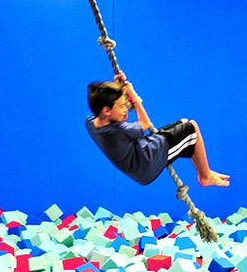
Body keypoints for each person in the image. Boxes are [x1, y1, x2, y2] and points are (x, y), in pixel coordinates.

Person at [86, 73, 230, 188]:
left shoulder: (91, 123)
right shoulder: (118, 131)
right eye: (121, 106)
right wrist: (132, 95)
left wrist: (118, 89)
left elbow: (108, 109)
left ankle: (204, 171)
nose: (125, 111)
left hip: (142, 151)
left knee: (183, 123)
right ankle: (205, 176)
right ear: (106, 110)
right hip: (148, 163)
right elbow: (145, 123)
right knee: (191, 128)